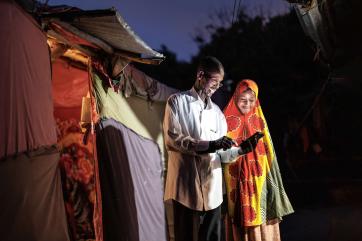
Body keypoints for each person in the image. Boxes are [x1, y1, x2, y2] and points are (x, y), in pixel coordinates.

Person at [163, 57, 260, 241]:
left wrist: (241, 150)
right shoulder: (177, 102)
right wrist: (210, 145)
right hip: (186, 190)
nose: (216, 88)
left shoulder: (217, 113)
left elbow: (222, 155)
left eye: (219, 84)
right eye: (214, 82)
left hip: (213, 192)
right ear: (200, 75)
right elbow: (173, 140)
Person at [223, 79, 294, 241]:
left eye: (251, 101)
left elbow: (268, 156)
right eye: (243, 100)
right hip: (235, 184)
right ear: (235, 98)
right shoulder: (224, 120)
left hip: (258, 183)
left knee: (260, 219)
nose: (247, 104)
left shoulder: (259, 122)